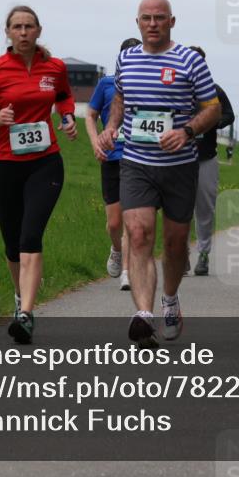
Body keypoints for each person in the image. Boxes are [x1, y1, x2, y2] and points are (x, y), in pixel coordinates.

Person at [97, 0, 221, 348]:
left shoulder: (190, 61)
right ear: (137, 23)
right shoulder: (126, 59)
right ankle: (143, 315)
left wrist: (186, 132)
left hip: (180, 166)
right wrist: (111, 127)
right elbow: (120, 98)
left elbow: (211, 108)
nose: (153, 24)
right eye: (146, 18)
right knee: (138, 236)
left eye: (159, 18)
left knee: (176, 242)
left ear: (172, 21)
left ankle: (169, 298)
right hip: (136, 163)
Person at [0, 5, 78, 344]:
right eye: (17, 27)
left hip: (45, 162)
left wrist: (68, 117)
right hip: (4, 165)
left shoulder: (54, 67)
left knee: (30, 236)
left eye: (29, 26)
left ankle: (26, 313)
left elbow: (64, 96)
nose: (24, 32)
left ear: (39, 31)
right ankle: (19, 297)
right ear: (8, 33)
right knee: (12, 244)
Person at [86, 37, 142, 291]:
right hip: (111, 157)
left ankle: (128, 272)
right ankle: (116, 250)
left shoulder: (146, 84)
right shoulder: (106, 85)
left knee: (131, 219)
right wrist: (95, 140)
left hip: (137, 158)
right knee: (114, 223)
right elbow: (90, 114)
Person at [187, 46, 235, 277]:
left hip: (206, 158)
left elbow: (229, 115)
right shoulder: (176, 88)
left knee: (204, 209)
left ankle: (203, 253)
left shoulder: (214, 90)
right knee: (179, 208)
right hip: (179, 158)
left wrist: (211, 122)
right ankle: (181, 254)